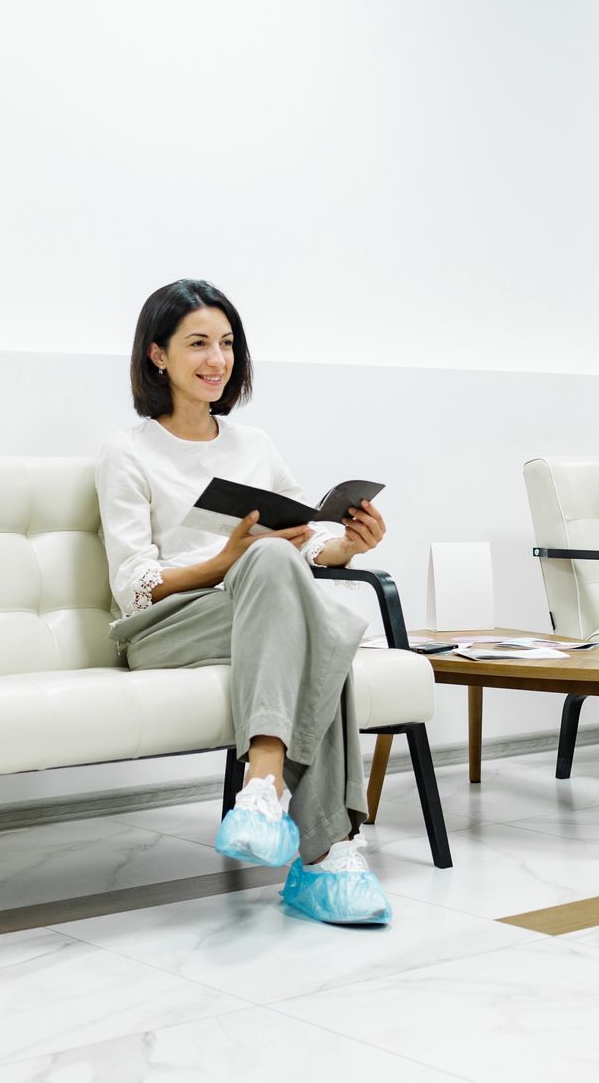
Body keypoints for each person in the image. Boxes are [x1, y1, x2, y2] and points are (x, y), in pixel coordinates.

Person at [95, 278, 392, 925]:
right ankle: (320, 844)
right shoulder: (128, 452)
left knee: (284, 571)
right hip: (165, 626)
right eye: (198, 343)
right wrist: (224, 560)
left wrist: (347, 548)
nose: (217, 360)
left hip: (258, 609)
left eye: (227, 344)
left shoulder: (254, 445)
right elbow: (133, 584)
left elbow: (308, 536)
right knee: (304, 600)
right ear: (157, 356)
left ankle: (293, 823)